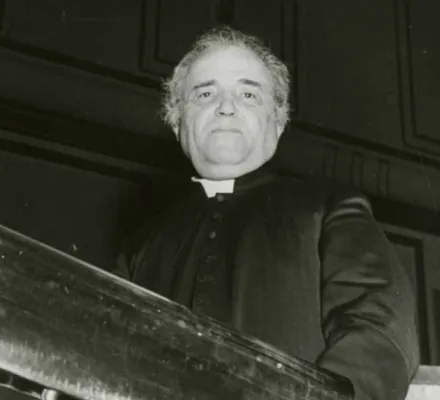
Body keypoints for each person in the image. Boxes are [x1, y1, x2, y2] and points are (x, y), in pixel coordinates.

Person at [114, 26, 419, 399]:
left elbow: (378, 328)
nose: (226, 107)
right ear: (177, 122)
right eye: (205, 93)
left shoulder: (329, 209)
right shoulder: (139, 249)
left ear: (278, 122)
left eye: (248, 94)